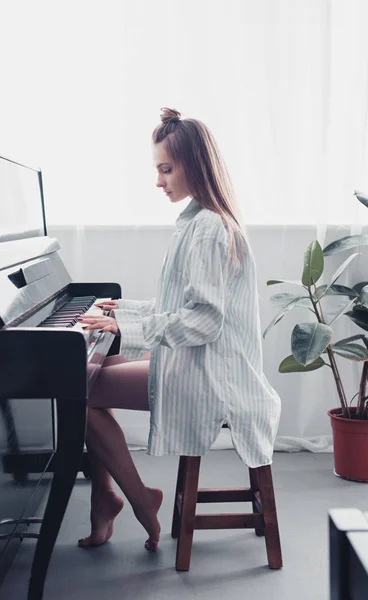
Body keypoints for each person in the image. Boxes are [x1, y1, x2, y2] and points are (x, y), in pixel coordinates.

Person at [77, 107, 281, 552]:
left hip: (212, 376)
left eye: (166, 169)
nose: (159, 181)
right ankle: (105, 498)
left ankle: (136, 499)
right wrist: (123, 311)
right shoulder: (201, 222)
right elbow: (181, 307)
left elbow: (203, 320)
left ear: (196, 165)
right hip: (203, 362)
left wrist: (123, 324)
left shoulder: (208, 229)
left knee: (84, 391)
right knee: (99, 368)